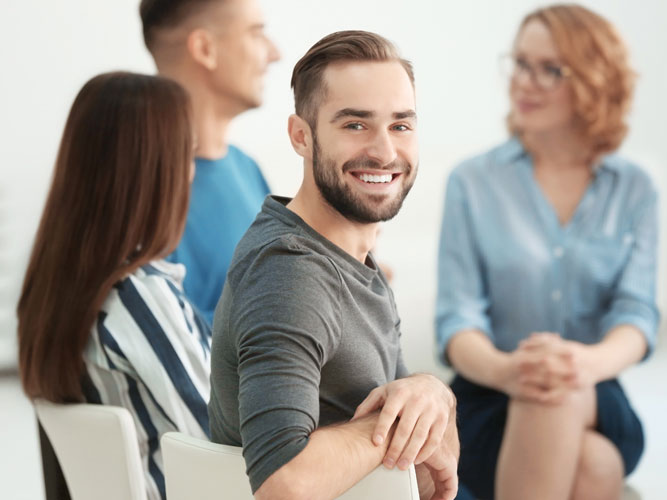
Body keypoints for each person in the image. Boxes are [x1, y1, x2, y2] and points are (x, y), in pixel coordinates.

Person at [208, 31, 459, 500]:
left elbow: (430, 464)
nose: (385, 152)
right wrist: (404, 417)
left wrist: (433, 392)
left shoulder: (354, 261)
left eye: (401, 126)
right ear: (301, 137)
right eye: (355, 125)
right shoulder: (290, 270)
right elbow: (283, 482)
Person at [436, 4, 658, 500]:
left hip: (596, 387)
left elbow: (636, 314)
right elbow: (458, 321)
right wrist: (510, 370)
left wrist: (583, 363)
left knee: (559, 387)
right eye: (519, 63)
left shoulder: (635, 188)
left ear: (596, 81)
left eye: (549, 69)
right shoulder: (472, 182)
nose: (524, 82)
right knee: (595, 463)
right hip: (488, 392)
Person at [17, 72, 211, 500]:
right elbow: (226, 442)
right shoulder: (137, 296)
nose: (192, 174)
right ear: (154, 171)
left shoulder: (54, 291)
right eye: (188, 155)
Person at [139, 0, 280, 324]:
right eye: (257, 33)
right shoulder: (140, 188)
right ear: (205, 49)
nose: (274, 53)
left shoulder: (247, 169)